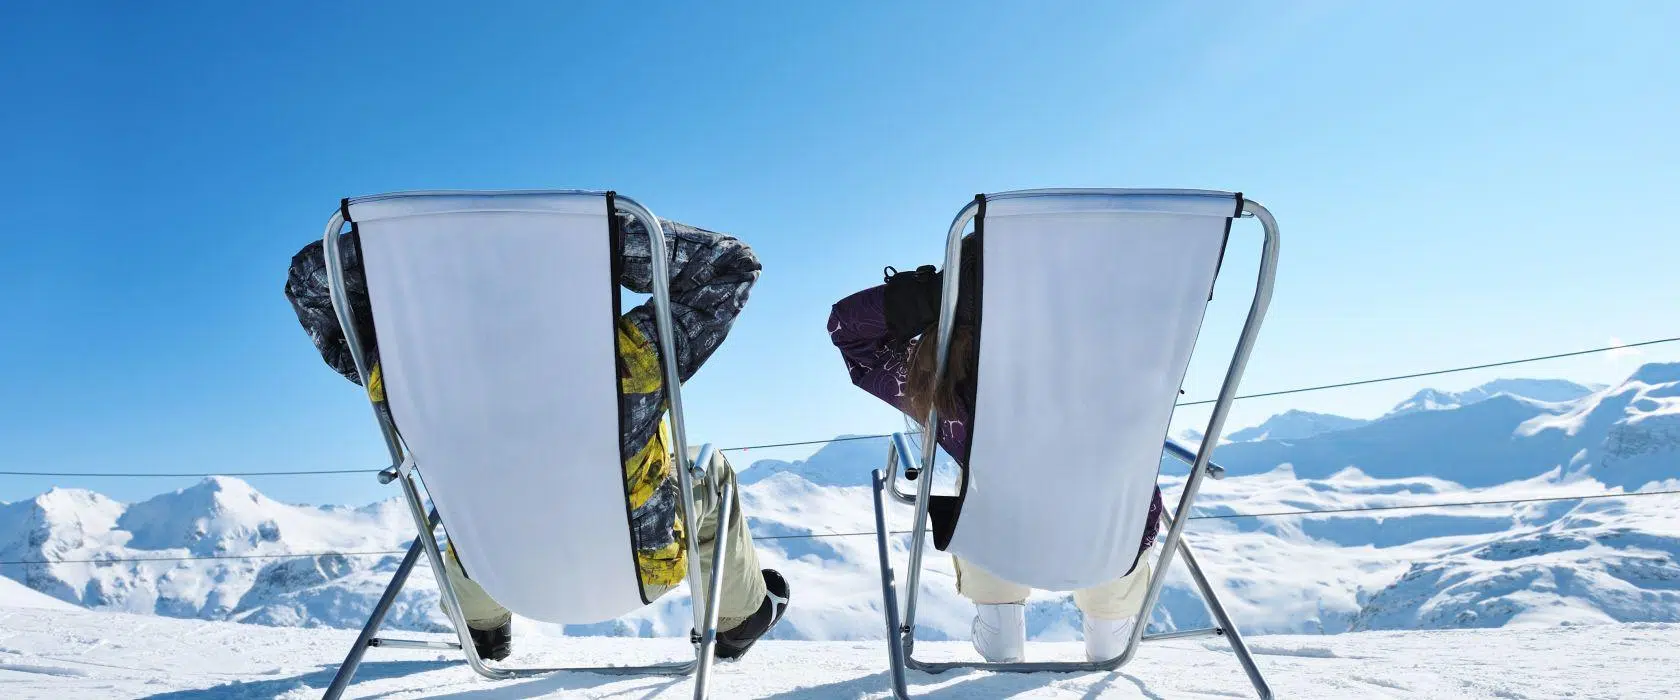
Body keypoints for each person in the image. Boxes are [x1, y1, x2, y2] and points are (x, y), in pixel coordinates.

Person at [285, 213, 789, 662]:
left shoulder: (405, 374)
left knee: (471, 491)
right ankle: (740, 618)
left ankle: (481, 627)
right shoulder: (629, 358)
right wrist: (582, 238)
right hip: (637, 573)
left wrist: (408, 252)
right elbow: (729, 265)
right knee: (709, 470)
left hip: (499, 574)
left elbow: (312, 282)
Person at [827, 232, 1163, 663]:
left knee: (988, 488)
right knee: (1112, 484)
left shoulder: (942, 380)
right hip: (1116, 540)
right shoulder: (1116, 353)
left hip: (1002, 544)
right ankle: (1110, 631)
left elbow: (847, 328)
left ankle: (1000, 631)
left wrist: (936, 297)